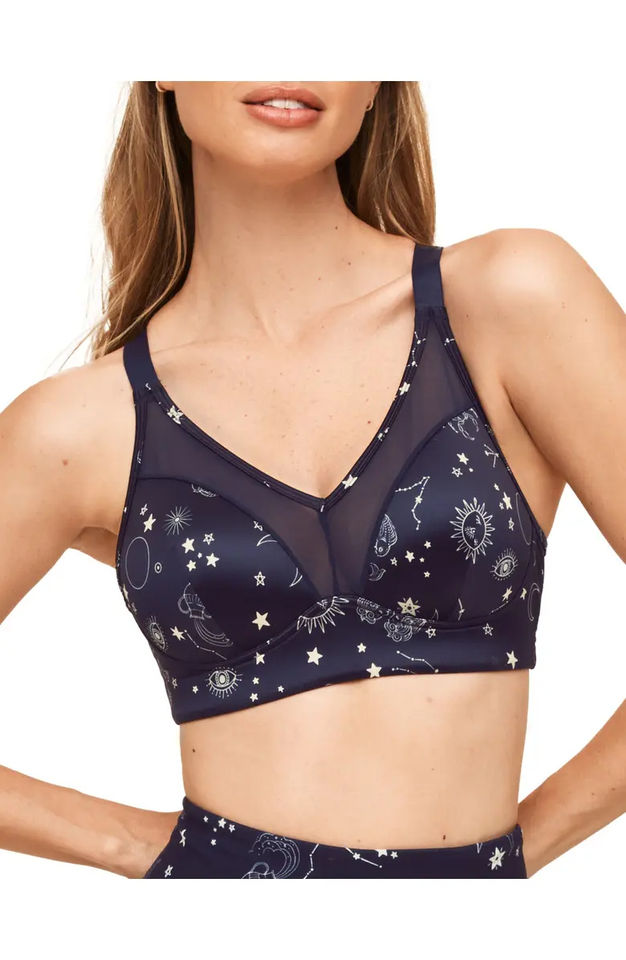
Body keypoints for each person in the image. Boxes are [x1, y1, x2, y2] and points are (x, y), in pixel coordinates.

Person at [0, 81, 624, 879]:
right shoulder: (81, 425)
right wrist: (130, 844)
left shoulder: (510, 300)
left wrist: (516, 852)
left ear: (376, 82)